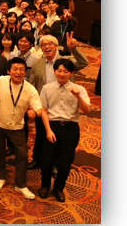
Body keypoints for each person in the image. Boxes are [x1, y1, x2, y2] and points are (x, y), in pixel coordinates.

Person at [27, 32, 88, 170]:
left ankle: (55, 163)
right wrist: (32, 104)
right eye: (43, 45)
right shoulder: (38, 63)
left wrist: (73, 49)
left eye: (50, 44)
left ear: (56, 46)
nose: (46, 47)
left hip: (63, 103)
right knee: (41, 133)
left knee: (60, 137)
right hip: (43, 103)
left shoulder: (67, 61)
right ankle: (37, 159)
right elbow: (32, 84)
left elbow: (84, 62)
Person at [38, 59, 92, 202]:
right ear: (54, 71)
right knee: (46, 159)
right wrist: (48, 130)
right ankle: (45, 186)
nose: (62, 74)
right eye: (59, 71)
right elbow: (44, 110)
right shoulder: (47, 88)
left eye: (65, 71)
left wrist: (78, 97)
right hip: (52, 126)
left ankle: (59, 188)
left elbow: (87, 110)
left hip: (70, 128)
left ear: (71, 73)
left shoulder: (79, 89)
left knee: (65, 161)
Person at [0, 57, 44, 200]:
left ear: (25, 72)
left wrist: (34, 113)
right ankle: (0, 177)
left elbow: (39, 109)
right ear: (8, 71)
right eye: (15, 69)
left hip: (17, 127)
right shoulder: (1, 81)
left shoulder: (30, 89)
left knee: (22, 155)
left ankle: (20, 184)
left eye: (21, 69)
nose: (18, 72)